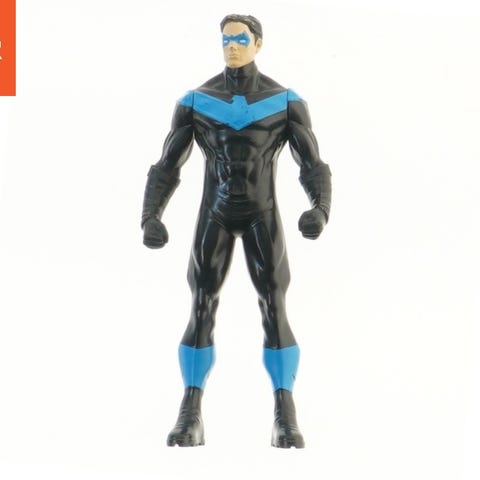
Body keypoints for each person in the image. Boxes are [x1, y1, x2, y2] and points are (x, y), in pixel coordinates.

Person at [141, 14, 332, 448]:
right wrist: (151, 214)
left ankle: (285, 413)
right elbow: (168, 164)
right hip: (216, 214)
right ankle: (190, 411)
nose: (231, 46)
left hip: (263, 214)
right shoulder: (197, 101)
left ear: (258, 44)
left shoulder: (284, 102)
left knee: (274, 305)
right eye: (225, 39)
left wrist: (319, 209)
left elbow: (312, 163)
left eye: (240, 39)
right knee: (201, 304)